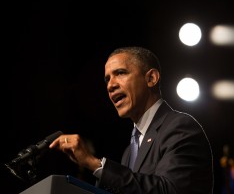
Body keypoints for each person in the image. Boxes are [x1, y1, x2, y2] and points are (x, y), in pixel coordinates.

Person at [49, 46, 214, 194]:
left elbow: (171, 190)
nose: (110, 85)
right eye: (107, 79)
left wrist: (95, 164)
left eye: (120, 73)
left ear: (151, 78)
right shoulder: (130, 151)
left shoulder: (180, 127)